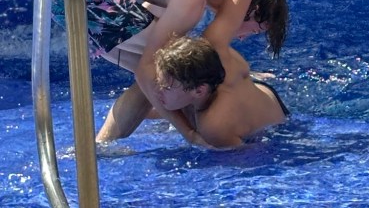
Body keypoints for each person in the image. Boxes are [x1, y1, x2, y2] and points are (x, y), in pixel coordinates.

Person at [52, 0, 288, 145]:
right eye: (255, 29)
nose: (243, 36)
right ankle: (99, 149)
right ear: (251, 8)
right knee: (172, 71)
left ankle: (101, 146)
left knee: (166, 74)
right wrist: (190, 134)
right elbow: (149, 70)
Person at [97, 35, 289, 147]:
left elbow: (245, 157)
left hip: (272, 123)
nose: (156, 91)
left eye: (165, 87)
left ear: (198, 91)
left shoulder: (213, 127)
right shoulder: (203, 82)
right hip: (254, 91)